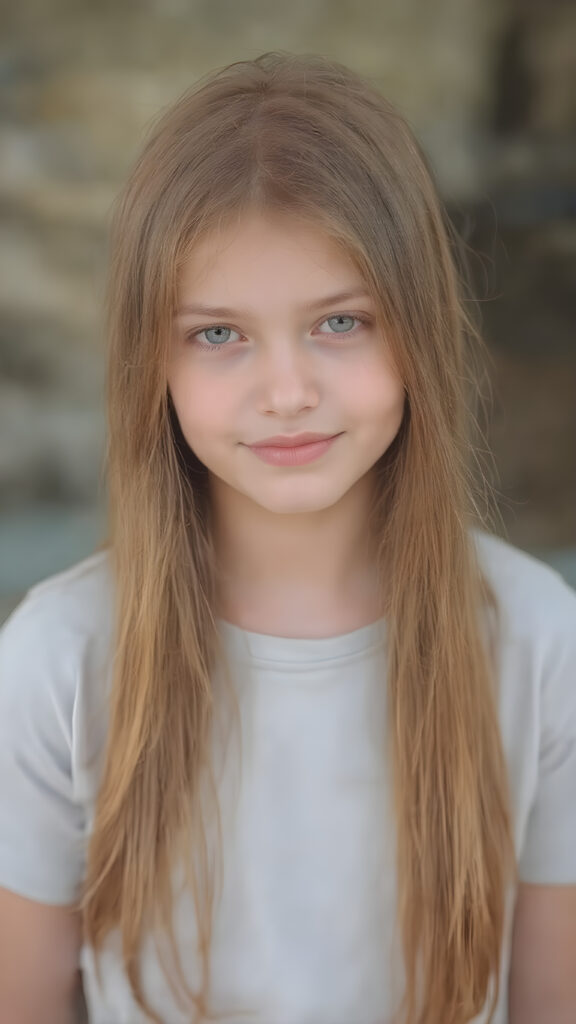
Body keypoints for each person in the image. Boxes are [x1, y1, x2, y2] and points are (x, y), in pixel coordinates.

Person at [0, 51, 574, 1024]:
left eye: (340, 321)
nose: (287, 390)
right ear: (154, 361)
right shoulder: (58, 661)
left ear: (420, 329)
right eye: (219, 333)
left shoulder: (538, 640)